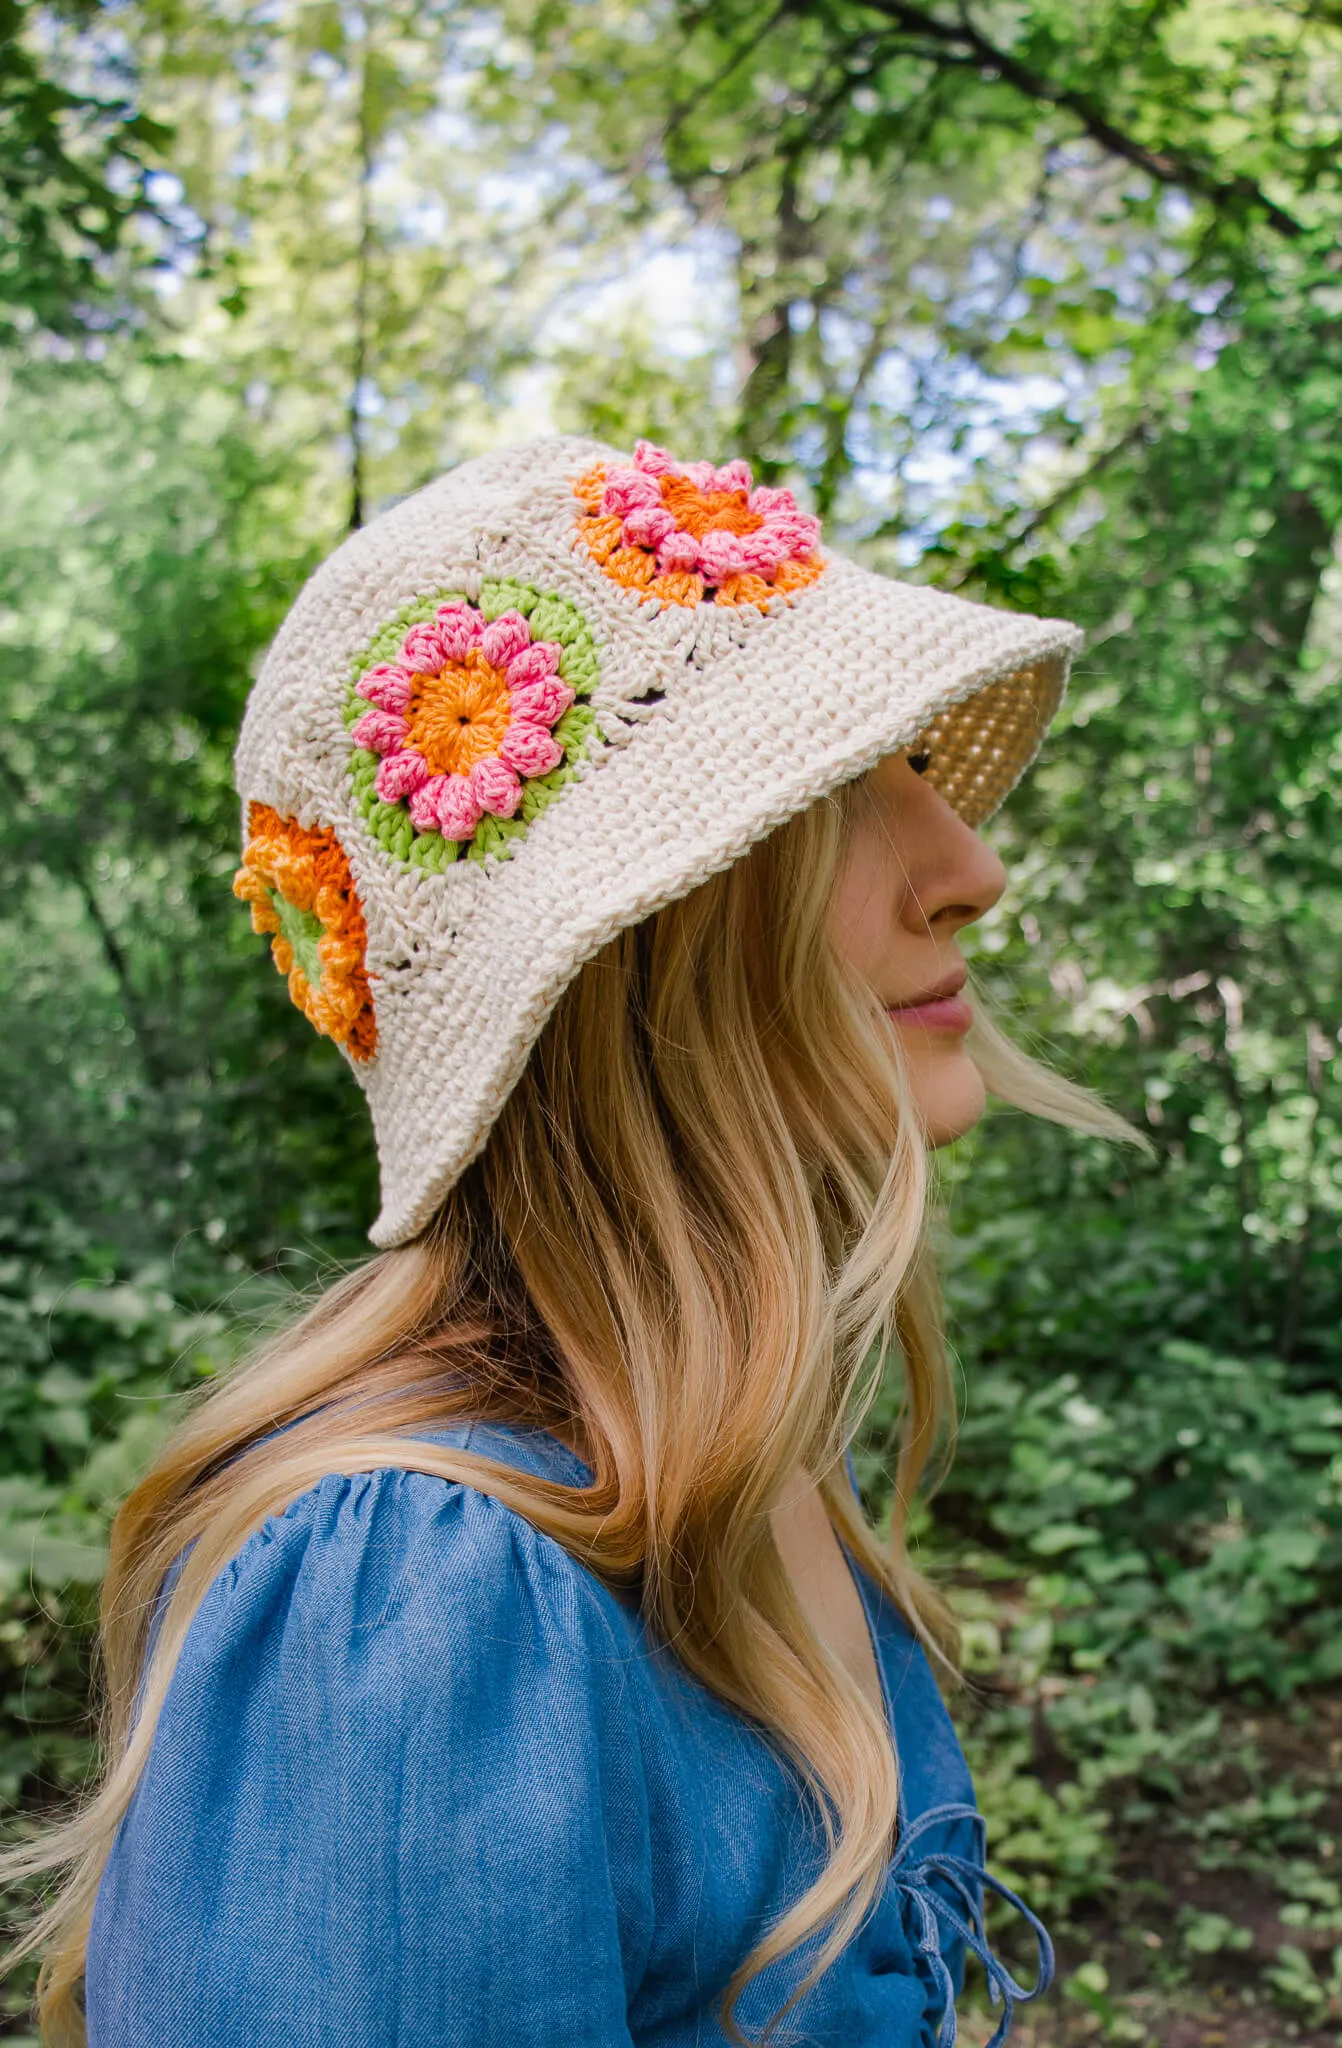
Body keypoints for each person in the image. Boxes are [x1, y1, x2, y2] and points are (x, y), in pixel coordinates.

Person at [5, 436, 1134, 2046]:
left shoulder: (726, 1463)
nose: (971, 868)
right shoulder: (417, 1593)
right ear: (628, 944)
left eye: (920, 773)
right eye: (842, 787)